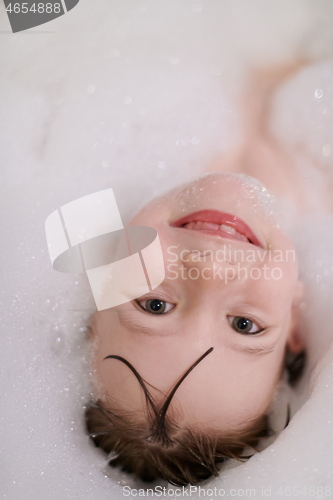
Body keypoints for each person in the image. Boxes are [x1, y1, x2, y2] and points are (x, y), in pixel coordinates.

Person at [84, 65, 314, 486]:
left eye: (154, 305)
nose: (211, 268)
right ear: (294, 320)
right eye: (244, 325)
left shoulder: (108, 118)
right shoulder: (322, 177)